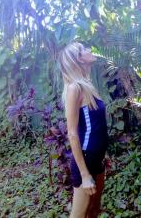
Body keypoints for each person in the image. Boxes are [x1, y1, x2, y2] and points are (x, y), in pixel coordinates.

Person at [58, 42, 109, 218]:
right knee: (79, 215)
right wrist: (85, 175)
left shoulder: (88, 85)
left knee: (94, 210)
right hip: (85, 160)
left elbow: (96, 127)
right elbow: (72, 133)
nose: (89, 49)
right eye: (84, 49)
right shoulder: (75, 88)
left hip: (97, 157)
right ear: (78, 59)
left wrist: (103, 154)